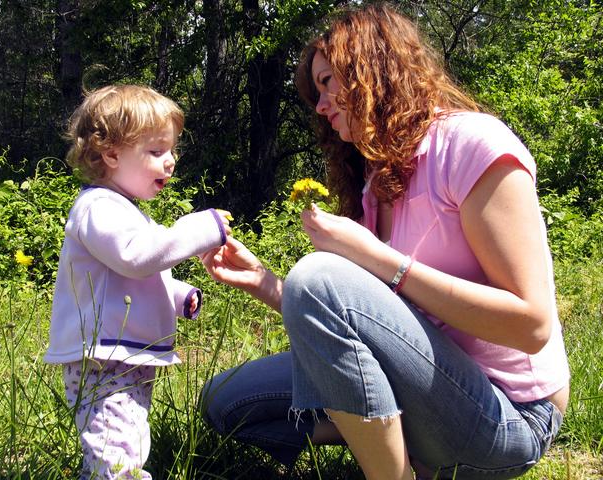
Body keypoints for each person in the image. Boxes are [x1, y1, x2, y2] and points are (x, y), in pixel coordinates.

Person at [199, 4, 569, 480]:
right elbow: (370, 324)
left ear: (375, 68)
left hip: (508, 417)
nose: (319, 104)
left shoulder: (472, 146)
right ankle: (394, 448)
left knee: (318, 275)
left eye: (329, 81)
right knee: (226, 403)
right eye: (315, 90)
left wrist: (377, 258)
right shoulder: (377, 181)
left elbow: (532, 326)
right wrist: (265, 283)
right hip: (425, 392)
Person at [44, 84, 231, 479]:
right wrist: (200, 228)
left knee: (126, 441)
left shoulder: (125, 211)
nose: (171, 162)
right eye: (156, 151)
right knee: (117, 452)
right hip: (102, 358)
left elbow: (136, 272)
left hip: (125, 357)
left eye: (172, 151)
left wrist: (179, 296)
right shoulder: (97, 207)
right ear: (111, 154)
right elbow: (136, 257)